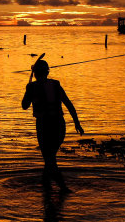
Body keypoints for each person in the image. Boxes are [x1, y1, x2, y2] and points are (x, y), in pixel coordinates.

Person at [22, 59, 84, 192]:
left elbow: (24, 106)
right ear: (47, 72)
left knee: (49, 159)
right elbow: (69, 104)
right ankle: (46, 185)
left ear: (35, 74)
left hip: (44, 126)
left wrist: (28, 89)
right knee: (50, 158)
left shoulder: (31, 87)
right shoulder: (55, 85)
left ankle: (63, 189)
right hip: (59, 125)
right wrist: (77, 123)